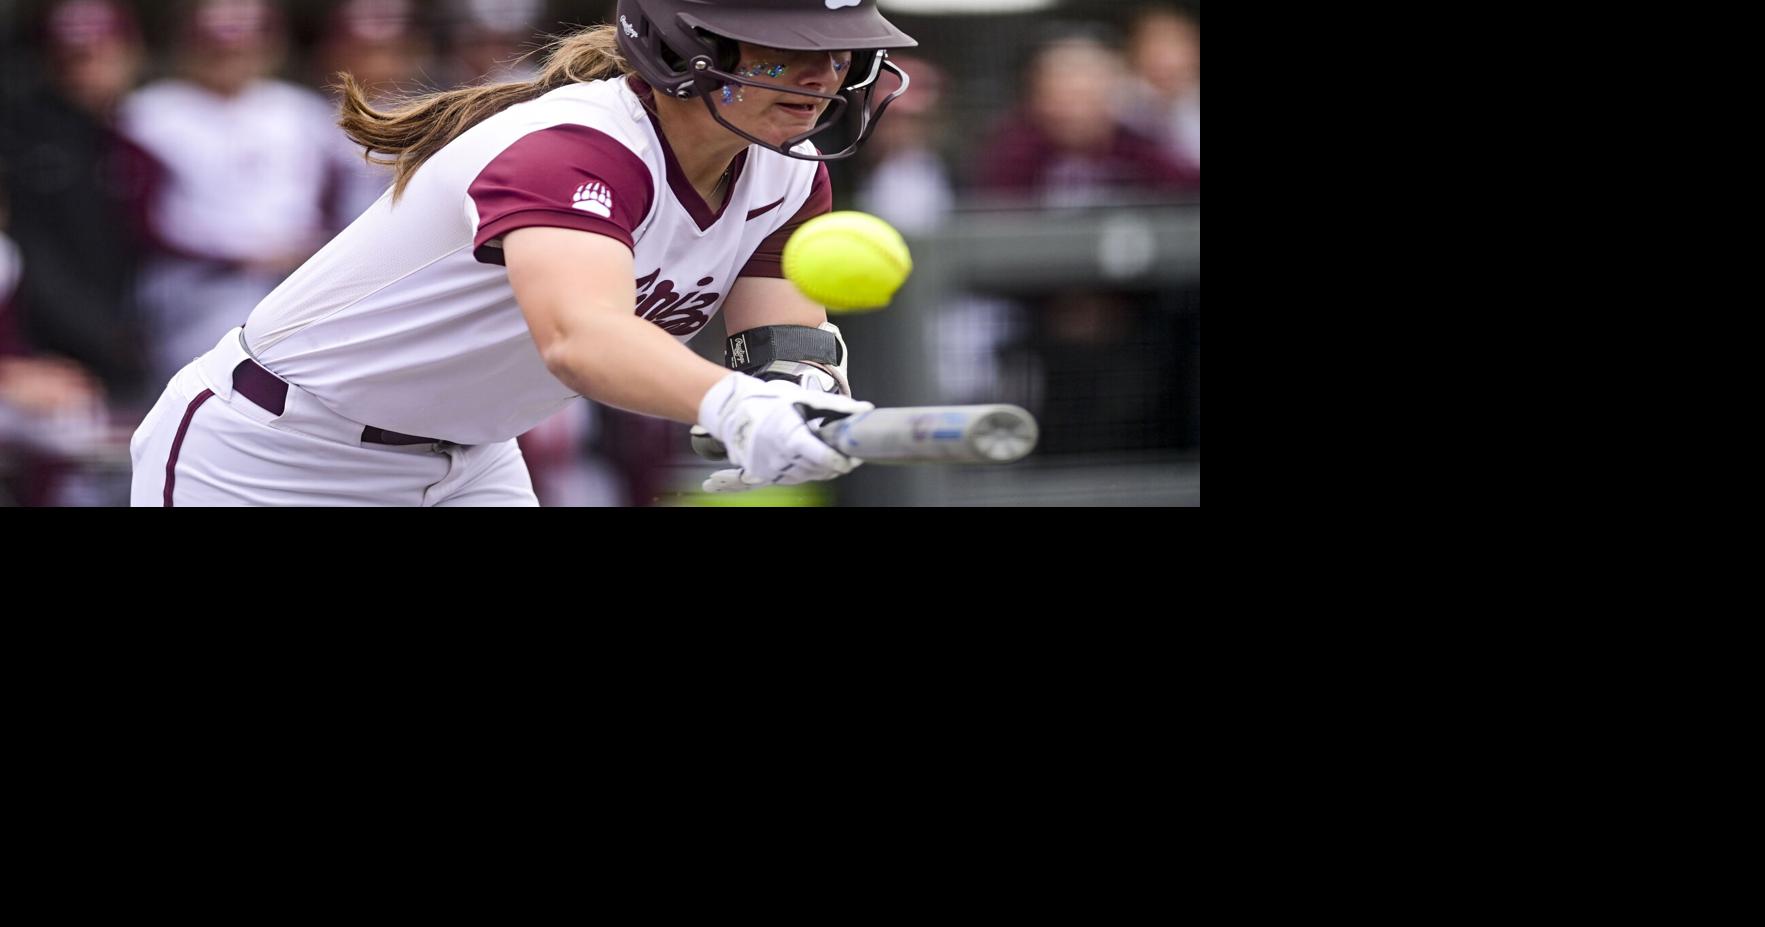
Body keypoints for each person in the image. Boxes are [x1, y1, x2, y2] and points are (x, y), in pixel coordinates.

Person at [128, 0, 918, 506]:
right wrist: (731, 406)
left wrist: (797, 396)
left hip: (471, 461)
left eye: (842, 52)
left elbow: (779, 340)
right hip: (275, 452)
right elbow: (580, 337)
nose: (824, 78)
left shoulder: (786, 166)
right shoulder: (574, 147)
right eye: (788, 51)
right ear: (687, 45)